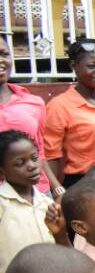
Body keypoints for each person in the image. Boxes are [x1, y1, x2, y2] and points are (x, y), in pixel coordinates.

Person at [0, 131, 68, 273]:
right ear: (2, 171)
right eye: (20, 163)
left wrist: (60, 232)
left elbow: (64, 250)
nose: (31, 166)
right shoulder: (2, 203)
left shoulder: (47, 203)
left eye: (34, 158)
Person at [44, 38, 95, 187]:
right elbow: (50, 155)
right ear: (74, 66)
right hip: (82, 184)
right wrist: (55, 191)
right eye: (92, 66)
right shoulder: (59, 106)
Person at [0, 37, 61, 197]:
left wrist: (56, 188)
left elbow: (39, 151)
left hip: (37, 192)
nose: (1, 60)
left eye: (4, 54)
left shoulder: (34, 102)